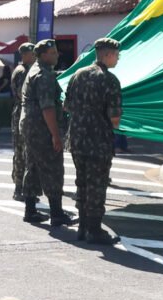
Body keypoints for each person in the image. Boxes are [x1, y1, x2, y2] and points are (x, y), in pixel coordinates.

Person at [63, 38, 123, 245]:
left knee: (82, 183)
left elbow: (66, 106)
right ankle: (94, 230)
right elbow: (115, 118)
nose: (118, 59)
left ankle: (82, 227)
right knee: (97, 186)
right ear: (108, 55)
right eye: (117, 55)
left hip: (77, 138)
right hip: (98, 141)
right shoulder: (109, 80)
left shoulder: (77, 74)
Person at [22, 39, 71, 226]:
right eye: (53, 53)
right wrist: (56, 135)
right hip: (43, 129)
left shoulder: (34, 71)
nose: (57, 55)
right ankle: (56, 213)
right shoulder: (44, 76)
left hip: (31, 128)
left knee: (33, 168)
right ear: (43, 55)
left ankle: (30, 210)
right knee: (53, 168)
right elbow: (48, 108)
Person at [9, 43, 38, 209]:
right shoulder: (22, 71)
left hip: (24, 113)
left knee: (25, 153)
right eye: (32, 53)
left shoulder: (26, 69)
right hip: (22, 114)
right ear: (25, 55)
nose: (35, 56)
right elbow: (22, 93)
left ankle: (25, 188)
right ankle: (19, 188)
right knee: (21, 153)